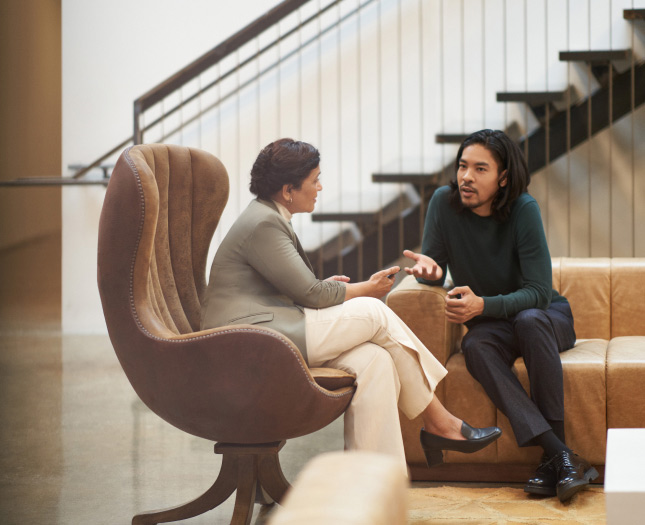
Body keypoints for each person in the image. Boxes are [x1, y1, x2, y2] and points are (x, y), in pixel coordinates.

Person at [201, 138, 501, 475]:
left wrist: (333, 289)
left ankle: (374, 488)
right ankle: (440, 422)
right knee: (374, 310)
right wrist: (368, 289)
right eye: (314, 180)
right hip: (251, 343)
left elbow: (298, 290)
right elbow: (312, 294)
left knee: (375, 360)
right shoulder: (264, 224)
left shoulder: (267, 217)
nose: (320, 187)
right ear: (288, 190)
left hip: (272, 329)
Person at [404, 129, 598, 501]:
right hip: (492, 327)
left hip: (546, 317)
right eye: (463, 166)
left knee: (528, 321)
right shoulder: (443, 204)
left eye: (480, 169)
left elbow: (539, 293)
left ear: (503, 177)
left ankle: (554, 457)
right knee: (475, 346)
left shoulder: (524, 209)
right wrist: (431, 275)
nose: (466, 177)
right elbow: (437, 266)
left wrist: (484, 305)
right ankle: (560, 456)